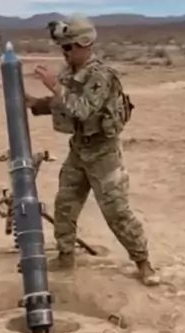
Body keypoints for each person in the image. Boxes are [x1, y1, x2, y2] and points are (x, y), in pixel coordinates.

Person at [24, 14, 160, 286]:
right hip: (79, 148)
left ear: (84, 44)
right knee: (65, 204)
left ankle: (143, 263)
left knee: (116, 211)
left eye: (69, 47)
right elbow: (63, 104)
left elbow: (83, 109)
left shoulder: (100, 75)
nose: (65, 52)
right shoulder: (70, 73)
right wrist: (35, 104)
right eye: (62, 47)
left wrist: (54, 85)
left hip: (103, 152)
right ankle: (65, 256)